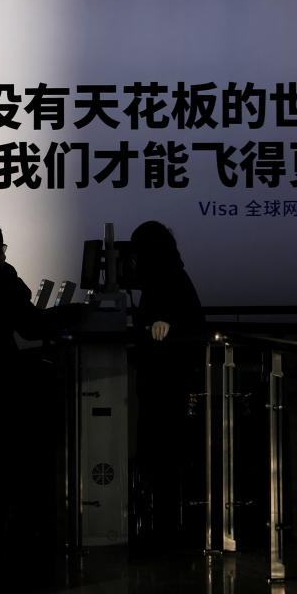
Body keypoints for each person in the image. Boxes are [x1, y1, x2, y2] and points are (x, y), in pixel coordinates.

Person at [128, 220, 204, 549]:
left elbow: (176, 321)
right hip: (169, 380)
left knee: (164, 456)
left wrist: (159, 324)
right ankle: (166, 528)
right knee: (165, 457)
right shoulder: (172, 276)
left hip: (166, 382)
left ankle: (166, 530)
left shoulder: (164, 281)